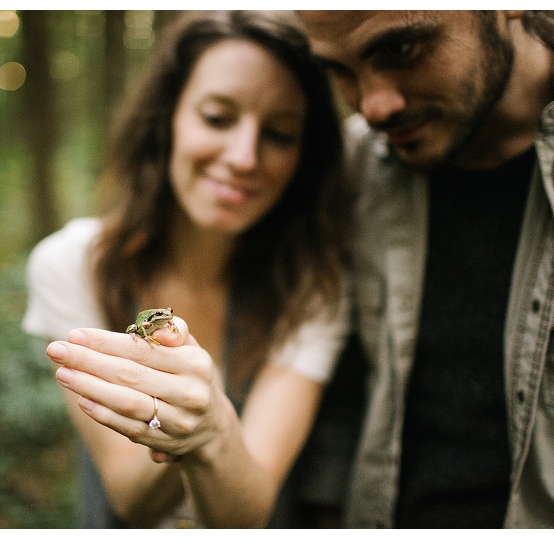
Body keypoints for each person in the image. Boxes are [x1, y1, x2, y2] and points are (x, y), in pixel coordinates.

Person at [22, 10, 352, 528]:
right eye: (217, 118)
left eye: (280, 134)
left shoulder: (312, 287)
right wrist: (187, 431)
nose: (243, 157)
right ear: (169, 116)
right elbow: (128, 495)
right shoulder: (72, 265)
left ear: (303, 157)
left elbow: (249, 513)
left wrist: (213, 427)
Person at [296, 10, 554, 528]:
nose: (374, 106)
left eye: (402, 50)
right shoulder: (355, 167)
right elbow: (342, 408)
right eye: (339, 71)